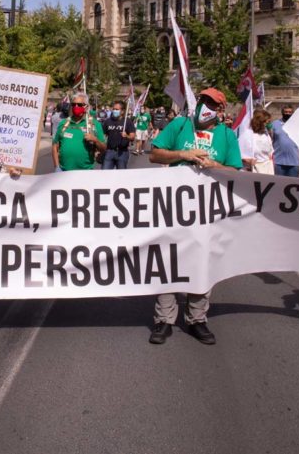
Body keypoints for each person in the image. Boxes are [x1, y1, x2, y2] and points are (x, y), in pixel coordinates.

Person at [148, 88, 243, 345]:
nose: (205, 106)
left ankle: (197, 319)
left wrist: (215, 166)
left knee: (201, 264)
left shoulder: (226, 135)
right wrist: (183, 154)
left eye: (211, 103)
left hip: (208, 213)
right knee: (168, 263)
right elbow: (154, 154)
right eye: (202, 101)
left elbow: (236, 170)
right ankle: (164, 320)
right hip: (173, 208)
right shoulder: (180, 125)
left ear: (220, 110)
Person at [52, 92, 106, 171]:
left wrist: (95, 140)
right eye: (73, 104)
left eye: (79, 105)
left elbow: (104, 148)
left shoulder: (95, 124)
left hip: (85, 173)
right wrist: (57, 167)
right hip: (64, 172)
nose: (76, 106)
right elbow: (54, 146)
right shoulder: (63, 123)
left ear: (86, 107)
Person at [271, 104, 299, 177]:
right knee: (278, 184)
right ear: (282, 112)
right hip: (278, 161)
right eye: (286, 112)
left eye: (290, 112)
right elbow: (269, 141)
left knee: (293, 184)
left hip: (294, 161)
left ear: (293, 113)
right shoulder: (274, 124)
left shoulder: (298, 125)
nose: (287, 114)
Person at [101, 101, 136, 170]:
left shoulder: (128, 122)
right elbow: (103, 135)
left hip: (122, 152)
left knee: (121, 177)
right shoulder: (108, 121)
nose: (114, 111)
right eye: (113, 109)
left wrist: (127, 136)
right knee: (105, 175)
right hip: (109, 151)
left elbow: (132, 137)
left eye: (117, 109)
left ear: (122, 111)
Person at [244, 108, 275, 174]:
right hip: (253, 170)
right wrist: (248, 160)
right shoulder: (248, 134)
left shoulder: (266, 134)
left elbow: (270, 151)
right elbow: (240, 153)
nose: (268, 125)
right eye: (267, 122)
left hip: (267, 168)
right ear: (260, 122)